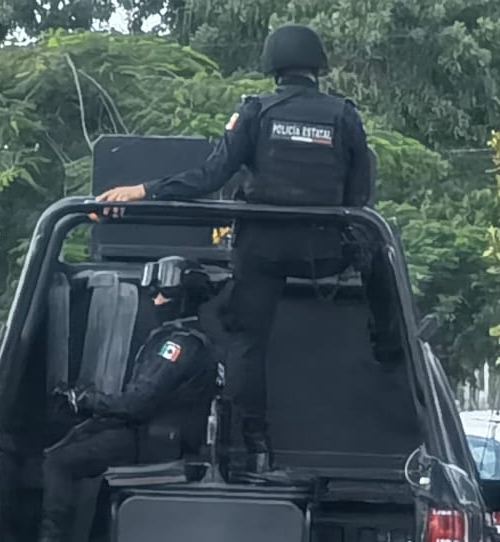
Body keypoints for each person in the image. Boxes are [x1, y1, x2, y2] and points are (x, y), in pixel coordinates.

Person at [95, 23, 375, 475]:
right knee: (381, 249)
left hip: (262, 247)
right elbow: (361, 198)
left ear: (272, 67)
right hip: (323, 252)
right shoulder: (344, 116)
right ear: (317, 66)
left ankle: (255, 446)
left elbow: (209, 177)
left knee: (246, 342)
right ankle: (389, 344)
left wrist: (144, 190)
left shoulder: (256, 113)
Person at [8, 256, 221, 542]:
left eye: (163, 294)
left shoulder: (177, 345)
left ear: (184, 298)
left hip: (154, 444)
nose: (156, 300)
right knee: (71, 445)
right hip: (151, 437)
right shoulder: (178, 339)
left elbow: (137, 403)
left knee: (60, 463)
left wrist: (88, 400)